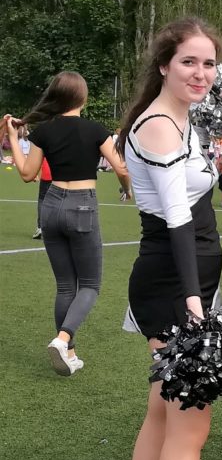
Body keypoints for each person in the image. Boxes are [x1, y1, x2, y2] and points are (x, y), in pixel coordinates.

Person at [112, 18, 222, 460]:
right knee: (190, 428)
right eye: (189, 61)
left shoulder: (179, 119)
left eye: (209, 63)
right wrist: (195, 303)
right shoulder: (161, 126)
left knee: (162, 416)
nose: (201, 73)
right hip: (173, 288)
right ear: (164, 64)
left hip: (186, 284)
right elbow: (176, 219)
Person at [4, 72, 131, 375]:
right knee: (90, 285)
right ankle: (63, 340)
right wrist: (126, 189)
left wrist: (13, 138)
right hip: (82, 205)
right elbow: (121, 168)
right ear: (82, 98)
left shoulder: (44, 131)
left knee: (65, 286)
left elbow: (27, 174)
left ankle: (69, 353)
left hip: (51, 205)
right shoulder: (95, 130)